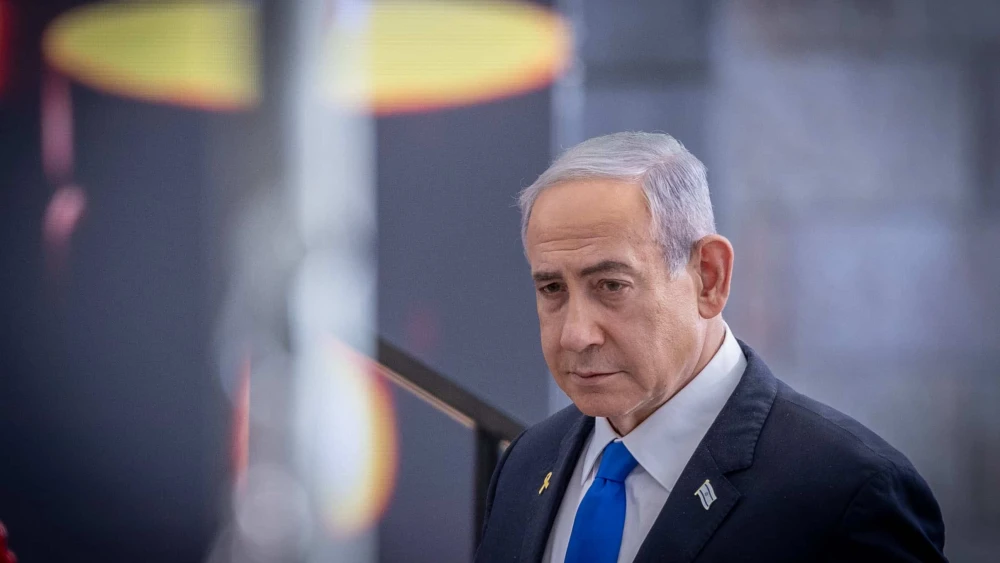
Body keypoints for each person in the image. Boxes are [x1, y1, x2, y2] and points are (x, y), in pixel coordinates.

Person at [474, 132, 946, 563]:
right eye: (553, 289)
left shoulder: (847, 491)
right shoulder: (526, 463)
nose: (576, 335)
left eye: (611, 285)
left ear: (709, 277)